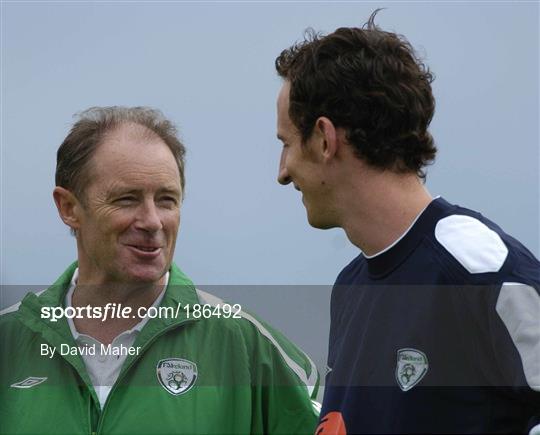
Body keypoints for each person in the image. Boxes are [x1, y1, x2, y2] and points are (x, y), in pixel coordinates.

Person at [274, 11, 540, 435]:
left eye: (286, 143)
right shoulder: (349, 288)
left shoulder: (480, 271)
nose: (282, 171)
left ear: (325, 139)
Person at [0, 106, 319, 434]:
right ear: (69, 208)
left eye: (167, 200)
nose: (152, 221)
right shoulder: (9, 339)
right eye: (127, 199)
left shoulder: (245, 345)